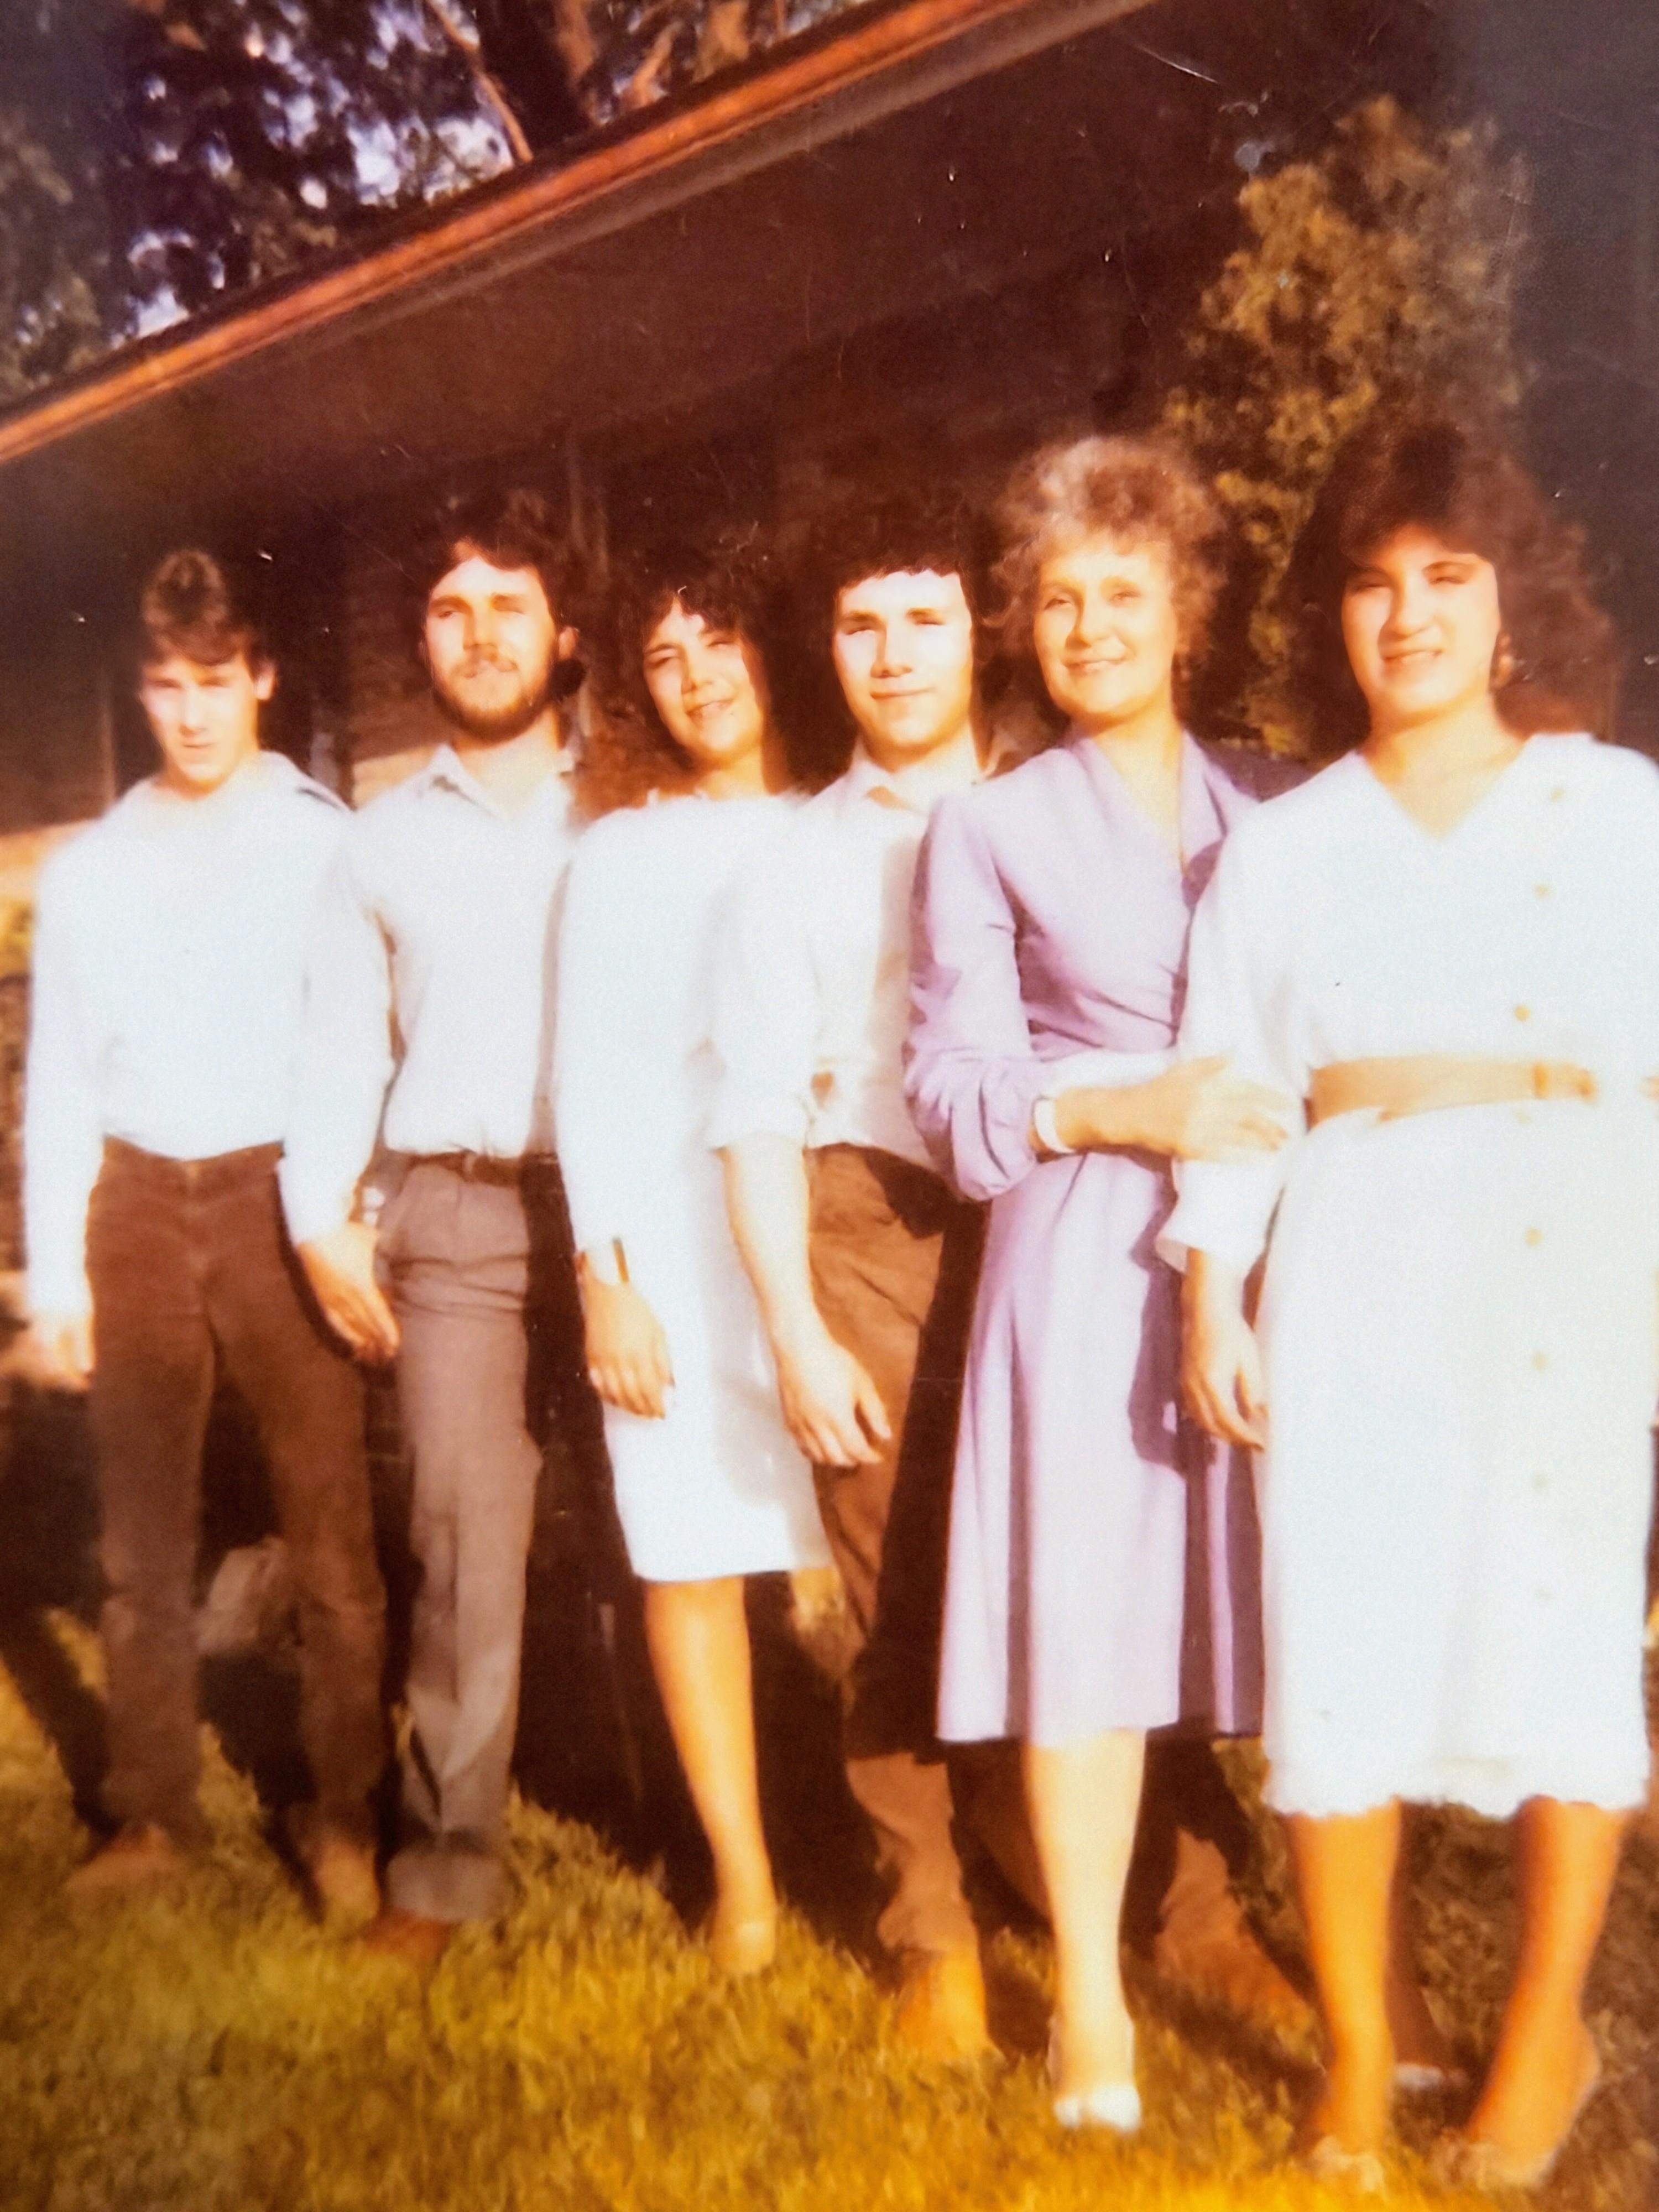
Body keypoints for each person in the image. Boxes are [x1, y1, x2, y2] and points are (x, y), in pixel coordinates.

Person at [1171, 410, 1648, 2190]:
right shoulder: (1285, 849)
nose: (1411, 616)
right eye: (1373, 587)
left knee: (1560, 1643)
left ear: (1513, 606)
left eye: (1449, 577)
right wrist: (1216, 1293)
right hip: (1355, 1259)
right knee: (1345, 1649)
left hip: (1566, 1252)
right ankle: (1361, 2063)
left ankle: (1544, 2032)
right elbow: (1235, 1089)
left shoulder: (1614, 811)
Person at [905, 435, 1296, 2131]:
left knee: (1290, 1616)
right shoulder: (983, 828)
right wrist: (1128, 1105)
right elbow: (954, 1096)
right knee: (1080, 1636)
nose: (1089, 625)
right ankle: (1087, 2004)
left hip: (1268, 1244)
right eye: (1057, 602)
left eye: (1123, 593)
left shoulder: (1275, 808)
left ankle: (1364, 1988)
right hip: (1075, 1259)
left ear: (1185, 613)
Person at [25, 550, 387, 1918]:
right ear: (142, 688)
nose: (189, 714)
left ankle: (345, 1809)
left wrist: (339, 1212)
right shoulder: (92, 867)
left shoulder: (322, 840)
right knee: (140, 1545)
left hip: (277, 1197)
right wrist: (59, 1272)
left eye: (216, 684)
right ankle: (152, 1811)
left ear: (263, 680)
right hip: (134, 1203)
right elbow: (60, 1067)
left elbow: (356, 1040)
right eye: (166, 687)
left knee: (330, 1531)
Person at [280, 486, 605, 1959]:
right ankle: (449, 1861)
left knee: (661, 1529)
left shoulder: (630, 804)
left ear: (568, 632)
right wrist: (322, 1220)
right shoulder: (378, 842)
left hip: (631, 1219)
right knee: (466, 1541)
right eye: (450, 610)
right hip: (461, 1216)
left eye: (510, 605)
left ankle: (697, 1819)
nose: (479, 636)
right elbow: (344, 1044)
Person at [708, 484, 1004, 2058]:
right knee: (895, 1593)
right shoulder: (787, 865)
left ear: (982, 630)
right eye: (861, 625)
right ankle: (932, 1934)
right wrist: (794, 1329)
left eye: (926, 617)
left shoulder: (1053, 811)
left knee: (1080, 1569)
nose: (893, 656)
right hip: (864, 1219)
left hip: (1048, 1215)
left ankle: (1181, 1911)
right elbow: (752, 1114)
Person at [552, 534, 832, 1973]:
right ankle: (746, 1881)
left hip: (821, 1230)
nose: (696, 677)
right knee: (689, 1560)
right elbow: (590, 1075)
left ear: (769, 645)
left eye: (716, 639)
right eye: (661, 659)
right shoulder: (621, 852)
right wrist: (607, 1276)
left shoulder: (847, 822)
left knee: (858, 1556)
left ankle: (911, 1860)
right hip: (668, 1235)